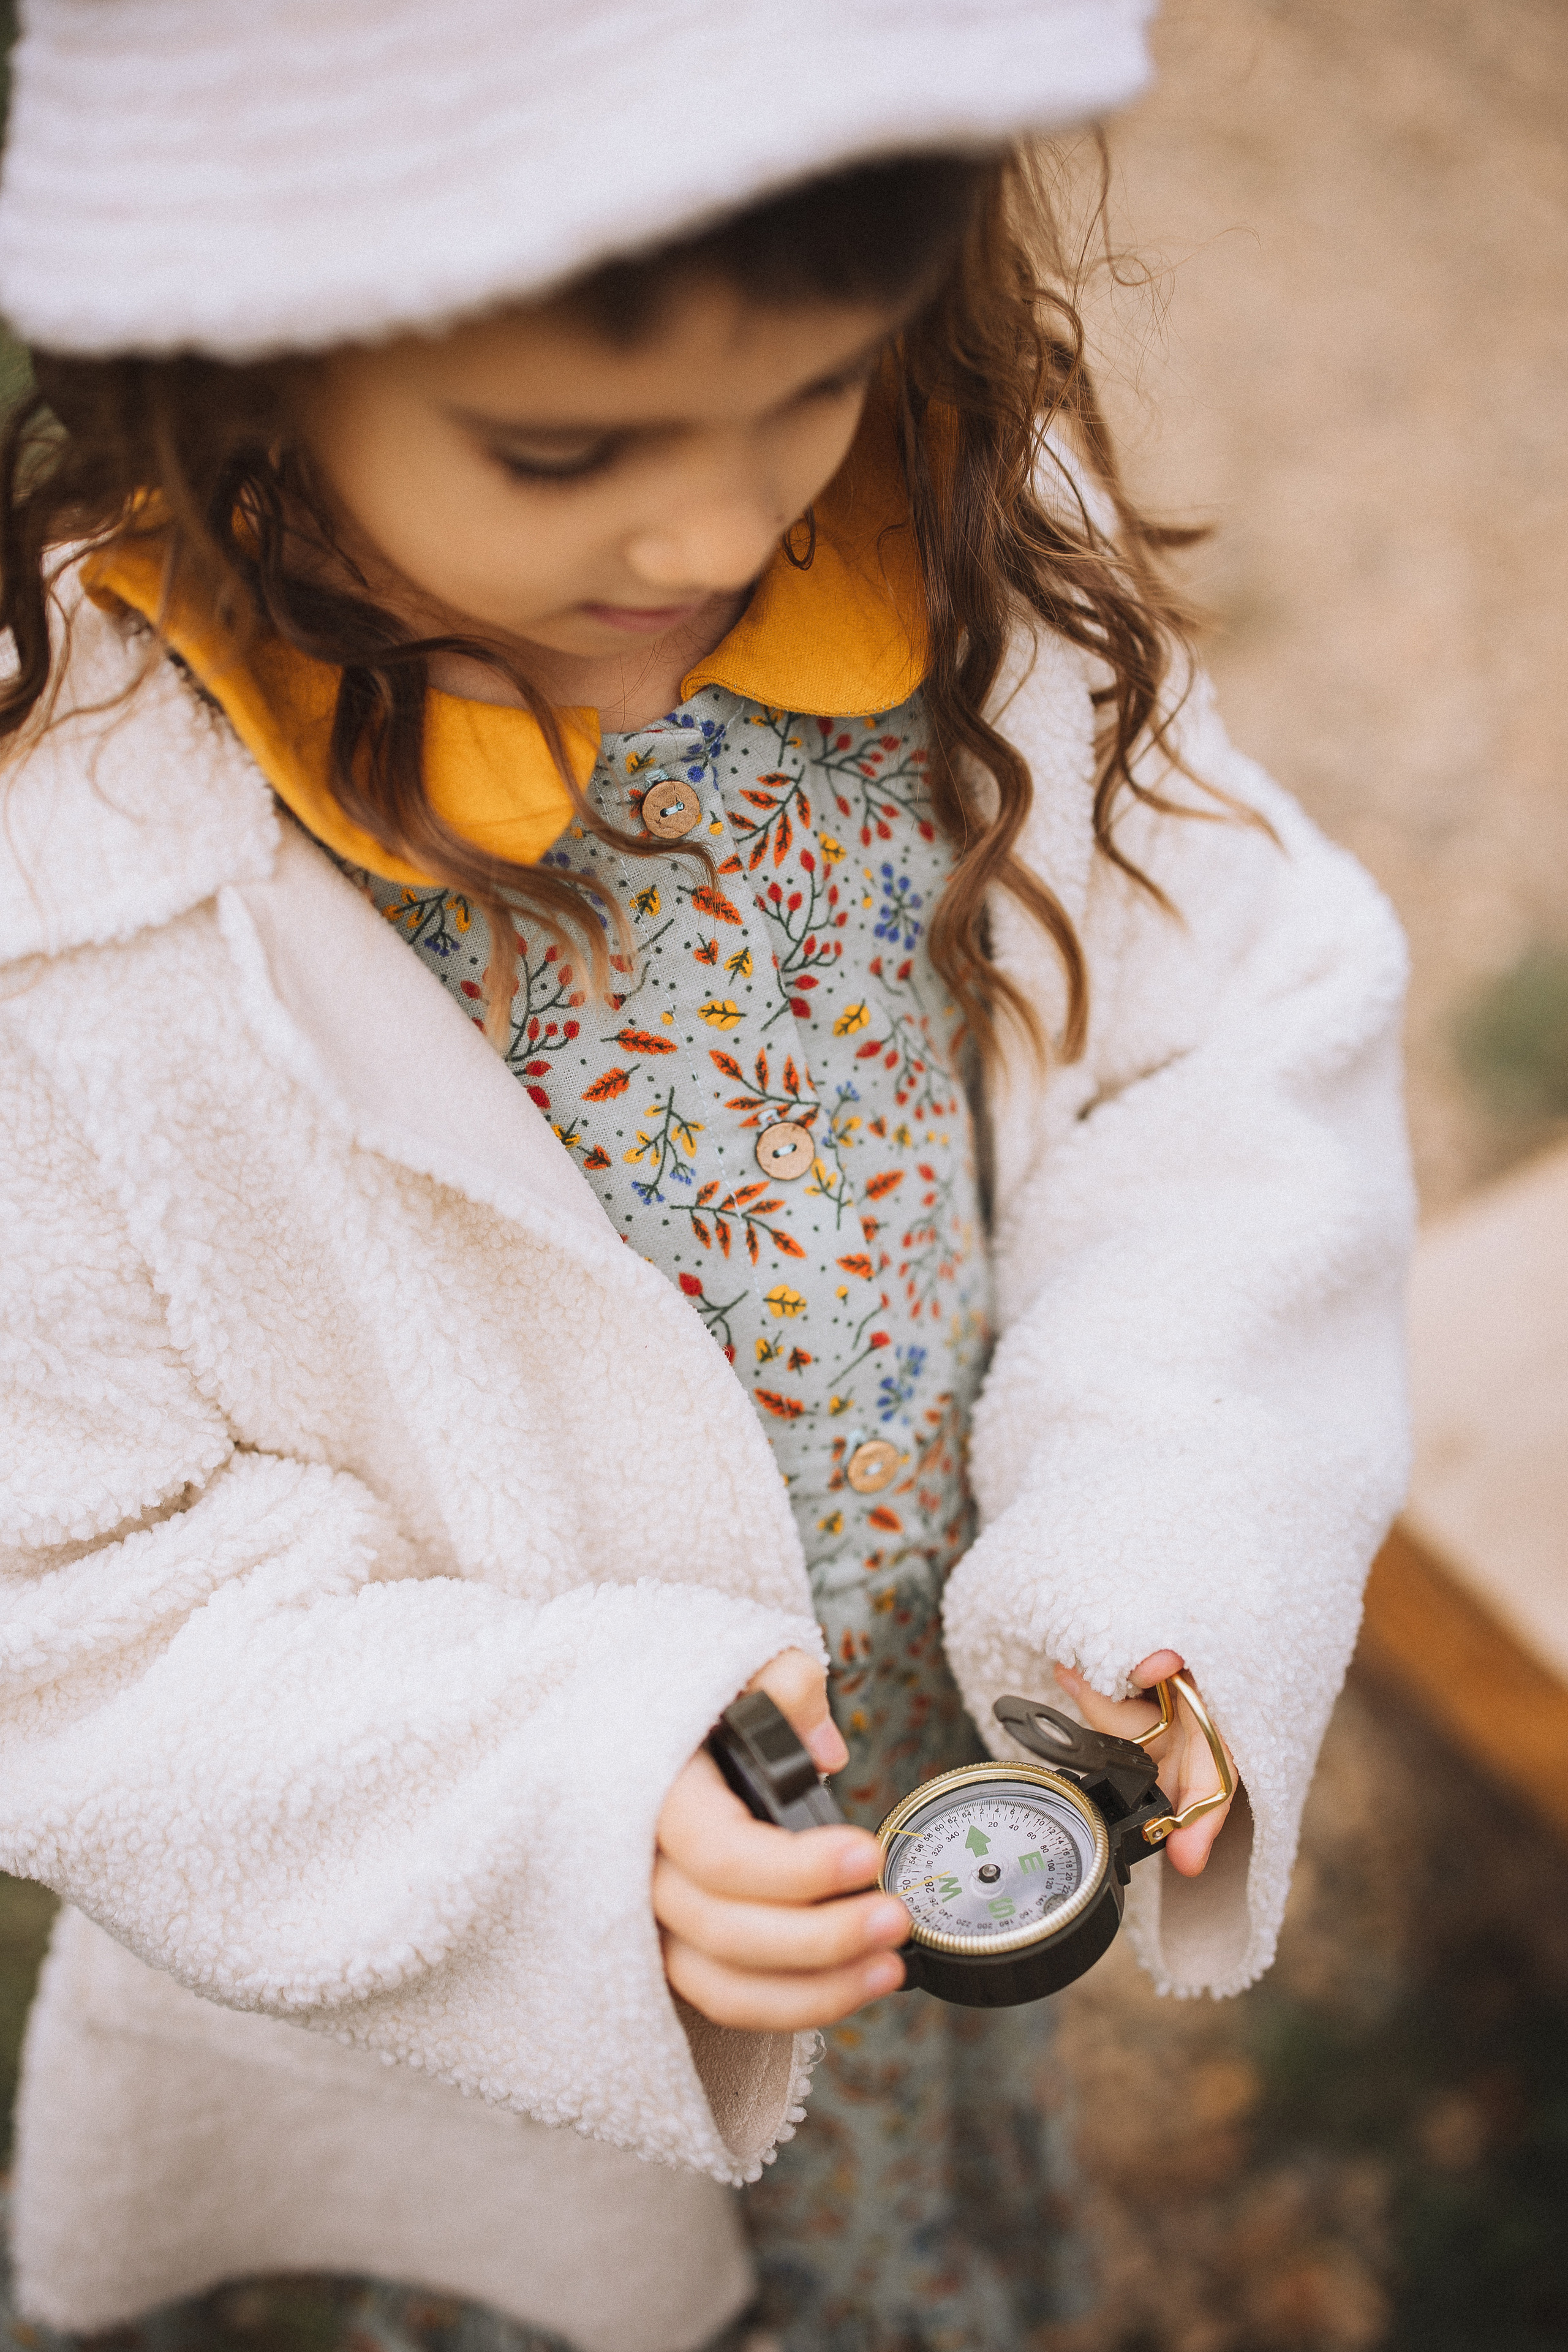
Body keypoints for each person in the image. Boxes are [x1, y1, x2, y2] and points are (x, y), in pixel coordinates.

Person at [0, 2, 1413, 2348]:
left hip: (935, 1788)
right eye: (563, 449)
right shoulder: (83, 902)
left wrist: (1163, 1533)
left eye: (813, 383)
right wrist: (551, 1812)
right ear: (226, 365)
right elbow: (67, 1592)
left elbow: (1230, 1052)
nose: (719, 527)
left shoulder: (960, 553)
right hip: (507, 2034)